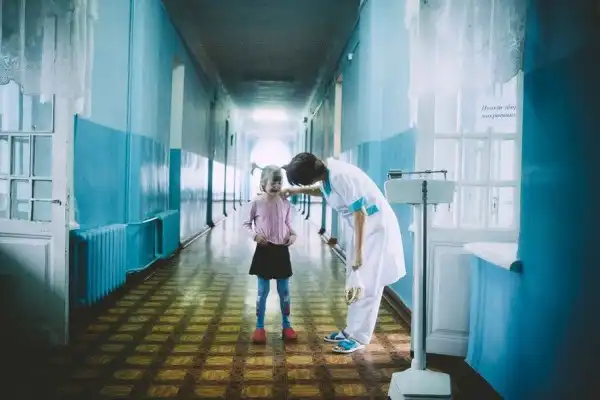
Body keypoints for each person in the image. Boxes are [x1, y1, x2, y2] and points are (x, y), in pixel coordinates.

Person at [282, 153, 406, 354]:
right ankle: (351, 330)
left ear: (310, 176)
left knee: (367, 283)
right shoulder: (327, 174)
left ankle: (359, 337)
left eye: (302, 182)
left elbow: (360, 213)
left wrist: (359, 253)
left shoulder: (340, 175)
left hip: (374, 229)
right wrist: (295, 190)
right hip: (362, 230)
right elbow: (324, 191)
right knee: (354, 283)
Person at [242, 165, 298, 344]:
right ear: (263, 184)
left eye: (279, 183)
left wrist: (293, 235)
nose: (276, 186)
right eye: (273, 183)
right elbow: (245, 225)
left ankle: (286, 325)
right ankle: (259, 327)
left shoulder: (285, 203)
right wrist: (254, 236)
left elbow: (289, 225)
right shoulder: (256, 202)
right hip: (264, 251)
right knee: (262, 291)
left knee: (284, 291)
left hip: (281, 251)